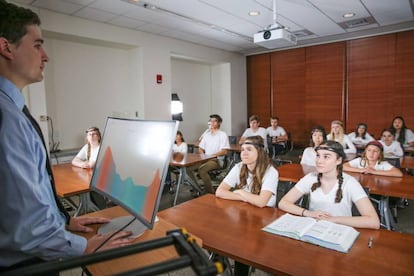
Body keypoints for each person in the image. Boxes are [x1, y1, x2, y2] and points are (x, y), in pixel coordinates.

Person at [0, 2, 133, 271]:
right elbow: (28, 226)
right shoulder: (7, 119)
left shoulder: (13, 110)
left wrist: (63, 221)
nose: (46, 55)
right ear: (6, 47)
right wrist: (86, 247)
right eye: (37, 45)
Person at [279, 141, 380, 229]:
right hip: (314, 229)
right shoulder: (311, 178)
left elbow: (373, 221)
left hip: (339, 230)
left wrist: (333, 220)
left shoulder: (350, 183)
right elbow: (283, 203)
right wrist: (308, 213)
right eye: (318, 155)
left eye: (326, 156)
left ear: (339, 160)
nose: (319, 160)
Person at [216, 135, 278, 207]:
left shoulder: (271, 172)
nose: (244, 153)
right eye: (242, 150)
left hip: (266, 212)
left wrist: (240, 192)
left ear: (259, 152)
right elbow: (219, 192)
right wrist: (243, 198)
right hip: (246, 208)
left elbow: (261, 202)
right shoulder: (239, 167)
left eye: (249, 149)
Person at [187, 114, 230, 194]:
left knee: (202, 169)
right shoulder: (207, 135)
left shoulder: (222, 134)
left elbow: (224, 151)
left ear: (219, 123)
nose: (212, 123)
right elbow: (200, 148)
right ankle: (197, 188)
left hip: (216, 160)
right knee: (187, 170)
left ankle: (209, 192)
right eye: (211, 121)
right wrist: (203, 156)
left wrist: (211, 156)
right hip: (205, 159)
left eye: (215, 121)